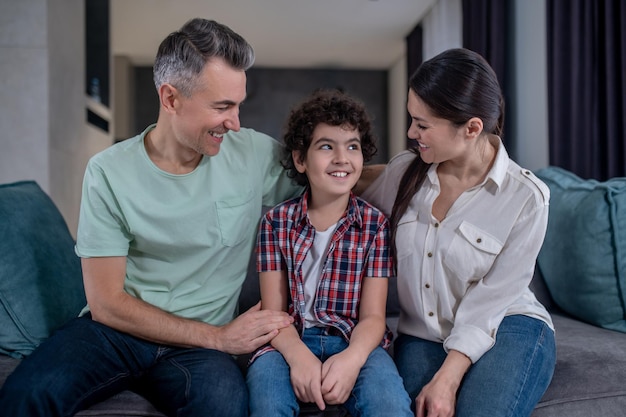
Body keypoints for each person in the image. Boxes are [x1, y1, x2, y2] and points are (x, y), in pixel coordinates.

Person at [0, 18, 304, 417]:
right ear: (171, 98)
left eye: (238, 104)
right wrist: (219, 337)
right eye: (222, 106)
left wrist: (408, 172)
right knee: (26, 395)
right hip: (115, 333)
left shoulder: (251, 154)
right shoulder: (108, 172)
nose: (235, 122)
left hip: (196, 355)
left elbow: (333, 174)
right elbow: (107, 303)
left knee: (224, 408)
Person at [362, 48, 556, 417]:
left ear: (471, 128)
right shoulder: (405, 174)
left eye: (422, 124)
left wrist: (448, 378)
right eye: (411, 119)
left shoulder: (526, 198)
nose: (410, 132)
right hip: (423, 336)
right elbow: (336, 179)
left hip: (505, 325)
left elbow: (494, 299)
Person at [246, 89, 413, 417]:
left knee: (390, 405)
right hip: (286, 341)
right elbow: (273, 314)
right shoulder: (275, 223)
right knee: (267, 404)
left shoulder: (375, 225)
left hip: (355, 340)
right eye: (326, 146)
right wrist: (298, 356)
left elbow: (374, 318)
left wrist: (352, 360)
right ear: (300, 159)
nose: (342, 158)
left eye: (352, 146)